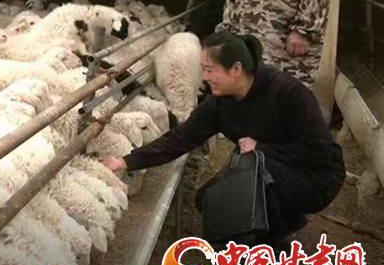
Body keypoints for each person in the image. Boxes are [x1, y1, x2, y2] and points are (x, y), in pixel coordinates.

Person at [100, 32, 345, 250]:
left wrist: (261, 148)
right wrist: (126, 161)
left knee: (255, 169)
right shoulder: (220, 103)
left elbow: (319, 152)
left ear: (235, 69)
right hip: (269, 167)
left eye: (210, 69)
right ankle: (284, 217)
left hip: (316, 176)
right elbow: (180, 138)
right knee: (208, 201)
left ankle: (273, 240)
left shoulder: (288, 92)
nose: (205, 77)